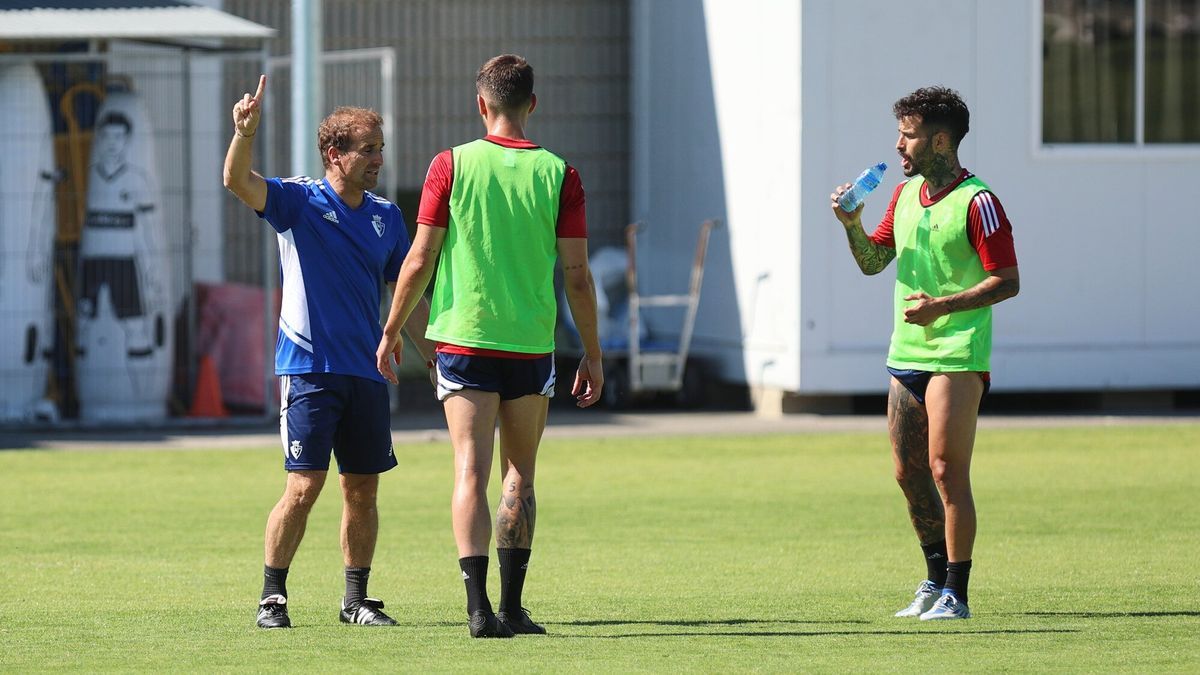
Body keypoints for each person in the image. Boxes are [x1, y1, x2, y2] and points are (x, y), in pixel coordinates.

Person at [375, 54, 604, 639]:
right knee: (519, 476)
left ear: (482, 105)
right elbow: (577, 275)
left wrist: (392, 330)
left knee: (469, 471)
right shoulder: (561, 173)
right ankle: (512, 608)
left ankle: (476, 610)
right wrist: (594, 355)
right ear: (533, 104)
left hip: (463, 340)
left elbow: (420, 258)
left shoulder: (449, 165)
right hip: (530, 346)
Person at [223, 75, 436, 629]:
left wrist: (435, 356)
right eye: (367, 149)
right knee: (303, 485)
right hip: (309, 371)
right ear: (333, 153)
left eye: (381, 148)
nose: (378, 158)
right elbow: (236, 181)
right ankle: (272, 597)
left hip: (366, 374)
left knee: (361, 490)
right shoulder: (297, 201)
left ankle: (356, 600)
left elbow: (404, 294)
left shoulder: (387, 216)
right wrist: (244, 134)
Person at [830, 86, 1020, 621]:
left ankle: (957, 594)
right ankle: (933, 580)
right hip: (907, 353)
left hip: (957, 353)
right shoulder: (904, 195)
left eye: (908, 135)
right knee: (908, 473)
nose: (898, 146)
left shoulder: (979, 202)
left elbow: (1006, 281)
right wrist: (851, 225)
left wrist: (943, 307)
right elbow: (873, 262)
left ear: (940, 140)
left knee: (945, 470)